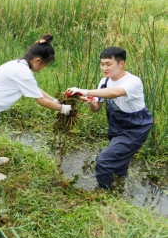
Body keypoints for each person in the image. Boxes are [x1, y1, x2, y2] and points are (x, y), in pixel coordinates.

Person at [0, 34, 71, 181]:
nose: (42, 69)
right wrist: (61, 108)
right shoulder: (23, 72)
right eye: (43, 66)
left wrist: (54, 100)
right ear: (37, 60)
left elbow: (35, 88)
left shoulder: (19, 64)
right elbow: (41, 101)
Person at [66, 47, 153, 190]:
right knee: (119, 163)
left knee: (104, 162)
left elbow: (116, 92)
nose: (104, 68)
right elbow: (96, 108)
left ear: (121, 64)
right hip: (116, 125)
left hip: (136, 127)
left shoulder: (133, 81)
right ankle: (120, 186)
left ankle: (106, 194)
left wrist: (85, 90)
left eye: (108, 64)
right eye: (102, 64)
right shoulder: (104, 81)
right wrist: (90, 102)